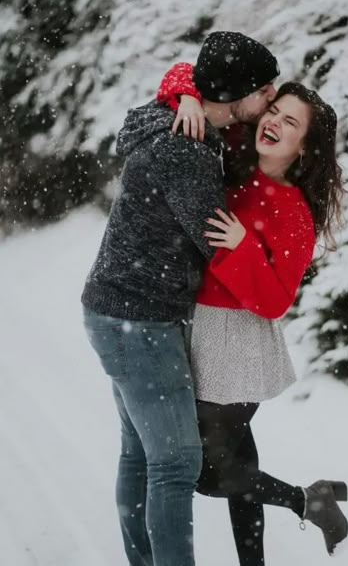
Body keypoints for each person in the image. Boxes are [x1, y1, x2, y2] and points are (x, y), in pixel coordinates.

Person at [81, 31, 280, 566]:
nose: (271, 99)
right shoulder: (187, 150)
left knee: (142, 455)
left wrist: (185, 90)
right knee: (176, 462)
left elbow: (180, 74)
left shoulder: (176, 116)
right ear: (237, 93)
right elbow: (215, 242)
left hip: (117, 308)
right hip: (138, 319)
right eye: (265, 90)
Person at [158, 68, 348, 563]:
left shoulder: (293, 212)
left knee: (209, 473)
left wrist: (243, 247)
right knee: (240, 462)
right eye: (274, 112)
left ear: (304, 148)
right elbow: (184, 72)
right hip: (199, 326)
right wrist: (187, 99)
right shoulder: (235, 151)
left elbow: (275, 300)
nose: (275, 124)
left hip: (236, 341)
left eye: (291, 123)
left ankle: (310, 500)